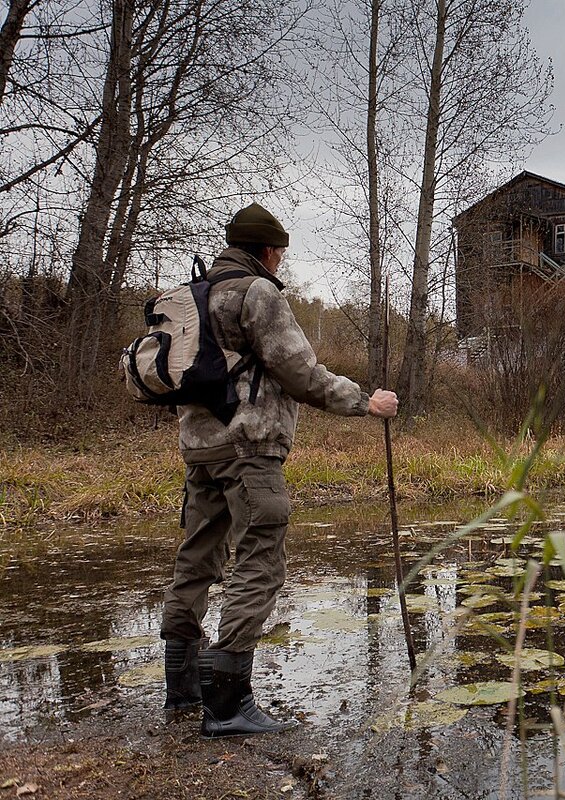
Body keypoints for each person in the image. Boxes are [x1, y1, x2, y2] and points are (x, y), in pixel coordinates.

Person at [159, 202, 398, 738]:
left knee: (197, 558)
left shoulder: (194, 295)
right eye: (281, 252)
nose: (282, 262)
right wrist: (366, 402)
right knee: (259, 562)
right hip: (249, 452)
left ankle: (181, 691)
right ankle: (227, 704)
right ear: (267, 251)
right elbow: (301, 373)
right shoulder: (257, 293)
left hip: (200, 451)